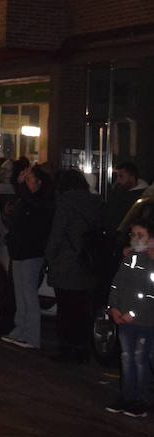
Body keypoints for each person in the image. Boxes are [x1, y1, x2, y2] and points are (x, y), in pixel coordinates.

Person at [44, 168, 103, 363]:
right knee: (82, 309)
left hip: (66, 260)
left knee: (66, 308)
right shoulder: (96, 201)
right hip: (88, 261)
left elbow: (57, 232)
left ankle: (67, 349)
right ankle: (82, 348)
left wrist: (49, 256)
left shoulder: (65, 201)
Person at [105, 208, 154, 417]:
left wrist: (133, 312)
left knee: (140, 358)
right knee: (126, 357)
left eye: (140, 235)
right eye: (132, 235)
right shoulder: (129, 260)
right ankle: (127, 396)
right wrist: (113, 306)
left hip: (144, 321)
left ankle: (140, 400)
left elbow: (150, 294)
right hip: (125, 319)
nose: (134, 239)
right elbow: (117, 285)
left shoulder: (150, 264)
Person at [0, 165, 53, 351]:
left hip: (32, 253)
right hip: (19, 250)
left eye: (30, 179)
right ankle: (19, 330)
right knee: (20, 294)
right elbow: (17, 221)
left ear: (39, 182)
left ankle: (32, 336)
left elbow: (34, 208)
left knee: (29, 295)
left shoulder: (42, 200)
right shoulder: (25, 200)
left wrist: (19, 185)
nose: (26, 183)